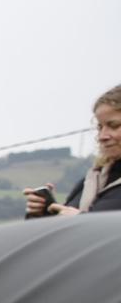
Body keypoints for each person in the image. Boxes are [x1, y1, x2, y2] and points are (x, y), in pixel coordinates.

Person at [24, 84, 121, 217]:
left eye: (114, 126)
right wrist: (43, 213)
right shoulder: (91, 180)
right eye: (99, 127)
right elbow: (65, 233)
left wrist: (80, 220)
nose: (102, 136)